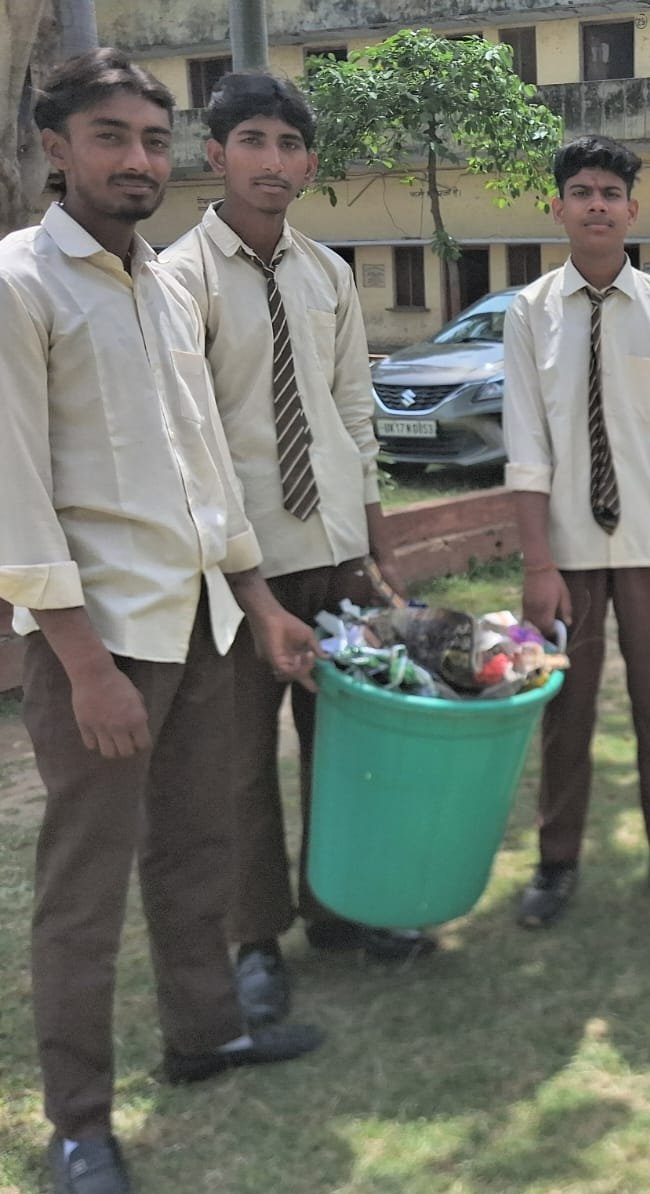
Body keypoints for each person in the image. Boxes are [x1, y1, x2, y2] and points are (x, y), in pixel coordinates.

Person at [0, 49, 325, 1194]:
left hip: (203, 624)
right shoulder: (21, 283)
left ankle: (205, 1037)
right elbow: (16, 494)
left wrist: (261, 601)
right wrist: (83, 665)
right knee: (85, 890)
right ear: (55, 147)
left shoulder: (164, 286)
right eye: (109, 136)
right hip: (104, 644)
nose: (136, 159)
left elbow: (203, 473)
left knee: (199, 849)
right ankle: (79, 1123)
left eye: (150, 138)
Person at [159, 71, 433, 1032]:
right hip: (241, 565)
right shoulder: (176, 280)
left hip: (335, 551)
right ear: (217, 155)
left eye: (287, 144)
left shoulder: (328, 275)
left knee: (351, 745)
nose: (271, 162)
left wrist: (377, 540)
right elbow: (189, 443)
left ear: (310, 163)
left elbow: (354, 416)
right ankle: (254, 942)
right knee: (239, 762)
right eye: (253, 142)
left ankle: (343, 907)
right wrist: (242, 577)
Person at [503, 134, 650, 927]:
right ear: (556, 206)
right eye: (581, 191)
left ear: (633, 209)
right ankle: (556, 862)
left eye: (610, 193)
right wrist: (537, 563)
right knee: (567, 710)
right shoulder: (530, 314)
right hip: (567, 551)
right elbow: (525, 446)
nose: (596, 204)